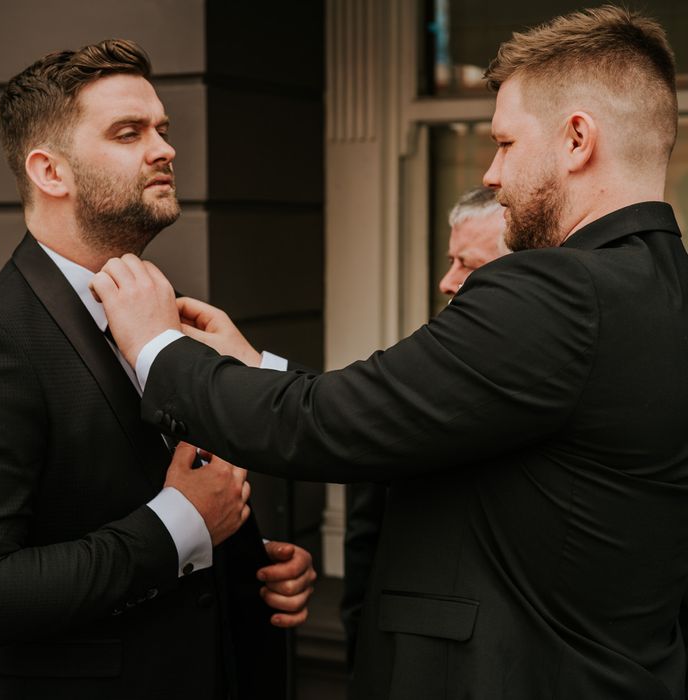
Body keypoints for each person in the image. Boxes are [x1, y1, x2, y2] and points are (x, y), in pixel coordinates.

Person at [95, 6, 688, 698]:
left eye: (503, 143)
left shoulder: (555, 290)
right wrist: (256, 369)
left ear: (576, 139)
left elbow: (327, 426)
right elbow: (425, 412)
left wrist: (158, 349)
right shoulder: (664, 287)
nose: (492, 174)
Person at [0, 39, 315, 700]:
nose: (165, 149)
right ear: (51, 172)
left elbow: (140, 498)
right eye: (129, 133)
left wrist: (242, 564)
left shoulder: (161, 312)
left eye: (162, 129)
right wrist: (183, 524)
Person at [342, 185, 508, 669]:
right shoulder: (417, 366)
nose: (446, 280)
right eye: (450, 260)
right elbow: (366, 530)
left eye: (468, 265)